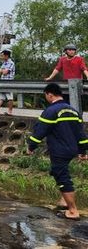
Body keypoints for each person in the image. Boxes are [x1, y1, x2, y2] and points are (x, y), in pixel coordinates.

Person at [27, 83, 88, 220]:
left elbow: (40, 131)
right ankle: (63, 201)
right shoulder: (73, 111)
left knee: (62, 176)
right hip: (71, 149)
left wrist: (31, 146)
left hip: (59, 150)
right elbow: (81, 134)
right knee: (61, 172)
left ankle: (73, 211)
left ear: (50, 94)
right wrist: (83, 151)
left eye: (46, 96)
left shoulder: (51, 111)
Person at [0, 50, 15, 115]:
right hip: (2, 82)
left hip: (8, 82)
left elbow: (5, 72)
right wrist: (2, 71)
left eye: (2, 55)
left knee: (9, 98)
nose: (1, 57)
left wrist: (2, 71)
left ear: (6, 55)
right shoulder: (4, 63)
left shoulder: (11, 63)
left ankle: (10, 112)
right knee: (1, 97)